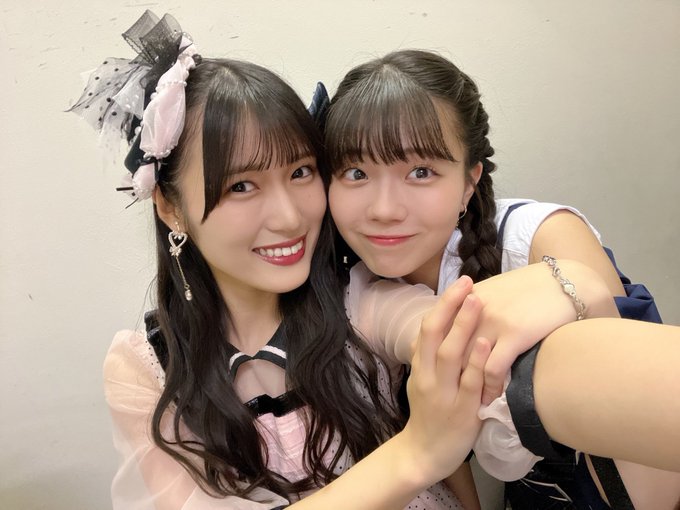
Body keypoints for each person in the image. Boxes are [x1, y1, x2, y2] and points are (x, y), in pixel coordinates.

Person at [70, 12, 492, 510]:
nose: (291, 218)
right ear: (170, 207)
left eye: (301, 172)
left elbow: (447, 332)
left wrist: (561, 279)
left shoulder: (358, 299)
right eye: (241, 186)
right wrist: (416, 455)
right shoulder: (145, 368)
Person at [323, 49, 678, 508]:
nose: (384, 209)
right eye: (356, 173)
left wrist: (581, 289)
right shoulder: (354, 290)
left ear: (469, 182)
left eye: (421, 172)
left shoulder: (538, 237)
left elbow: (650, 464)